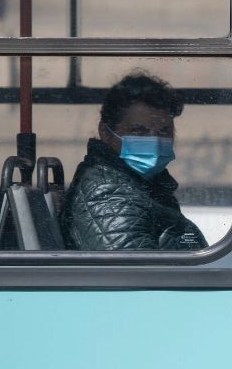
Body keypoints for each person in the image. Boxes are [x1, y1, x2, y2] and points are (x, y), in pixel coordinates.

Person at [59, 72, 208, 250]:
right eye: (139, 131)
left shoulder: (142, 185)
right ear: (105, 133)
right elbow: (136, 272)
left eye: (163, 131)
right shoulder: (108, 195)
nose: (154, 141)